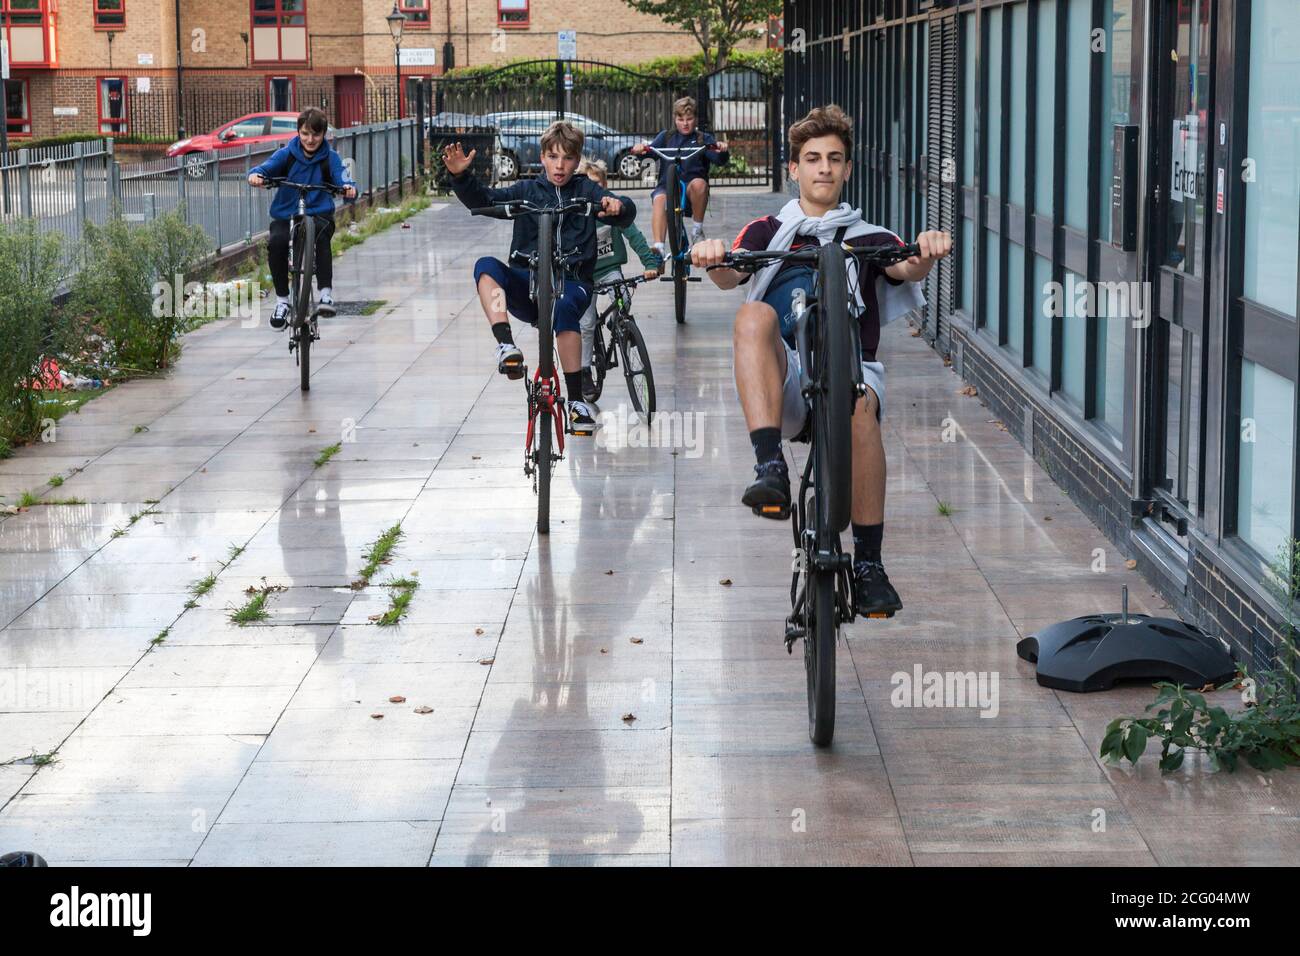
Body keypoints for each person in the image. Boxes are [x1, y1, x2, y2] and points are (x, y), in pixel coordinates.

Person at [690, 105, 951, 617]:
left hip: (851, 375)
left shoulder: (868, 236)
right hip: (784, 377)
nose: (824, 168)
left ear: (848, 169)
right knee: (750, 318)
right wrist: (713, 254)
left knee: (860, 411)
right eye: (812, 159)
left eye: (835, 158)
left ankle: (870, 565)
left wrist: (927, 249)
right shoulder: (768, 231)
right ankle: (770, 466)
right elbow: (729, 276)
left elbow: (908, 265)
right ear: (794, 169)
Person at [441, 121, 637, 434]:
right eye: (554, 157)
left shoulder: (587, 189)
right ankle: (506, 346)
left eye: (568, 158)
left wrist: (617, 205)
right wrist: (460, 176)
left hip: (572, 285)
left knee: (564, 308)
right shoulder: (526, 190)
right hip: (529, 286)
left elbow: (624, 209)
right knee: (486, 265)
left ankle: (575, 401)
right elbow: (483, 201)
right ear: (543, 157)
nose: (560, 165)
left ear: (577, 160)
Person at [247, 107, 356, 330]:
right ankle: (282, 302)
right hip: (286, 213)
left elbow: (344, 177)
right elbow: (265, 168)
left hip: (319, 212)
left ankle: (325, 295)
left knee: (322, 239)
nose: (310, 139)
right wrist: (256, 175)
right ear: (298, 132)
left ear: (324, 134)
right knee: (276, 243)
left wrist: (348, 187)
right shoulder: (287, 154)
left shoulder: (330, 158)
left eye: (316, 134)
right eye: (305, 133)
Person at [578, 157, 662, 401]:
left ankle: (620, 323)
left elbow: (634, 236)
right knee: (586, 322)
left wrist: (650, 263)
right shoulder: (577, 216)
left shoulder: (612, 212)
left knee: (623, 295)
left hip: (609, 270)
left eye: (599, 188)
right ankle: (584, 371)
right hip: (584, 275)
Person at [632, 96, 729, 255]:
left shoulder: (702, 139)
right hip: (667, 187)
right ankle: (659, 249)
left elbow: (719, 159)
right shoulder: (666, 137)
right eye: (680, 119)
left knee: (700, 184)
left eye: (689, 119)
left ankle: (697, 231)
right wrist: (640, 150)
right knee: (660, 199)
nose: (685, 123)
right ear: (675, 119)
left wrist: (722, 150)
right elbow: (649, 152)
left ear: (695, 119)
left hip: (692, 191)